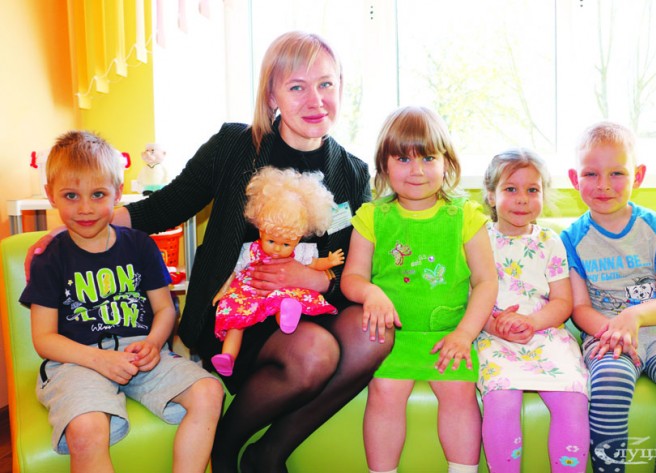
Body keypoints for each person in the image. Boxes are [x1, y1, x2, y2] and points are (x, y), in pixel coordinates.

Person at [27, 31, 392, 473]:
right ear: (272, 95)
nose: (315, 100)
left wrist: (319, 279)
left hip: (309, 308)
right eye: (297, 86)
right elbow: (163, 207)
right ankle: (224, 448)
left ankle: (268, 453)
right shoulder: (234, 146)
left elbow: (356, 265)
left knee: (374, 336)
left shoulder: (352, 172)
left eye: (326, 84)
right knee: (315, 353)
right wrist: (66, 232)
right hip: (233, 316)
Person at [20, 131, 224, 472]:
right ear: (51, 195)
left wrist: (154, 343)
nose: (85, 208)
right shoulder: (50, 259)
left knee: (209, 392)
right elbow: (44, 339)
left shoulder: (141, 245)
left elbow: (164, 309)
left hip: (141, 353)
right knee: (86, 430)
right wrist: (99, 360)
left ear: (117, 193)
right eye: (71, 195)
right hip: (77, 361)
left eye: (98, 194)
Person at [340, 105, 498, 473]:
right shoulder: (372, 217)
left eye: (428, 158)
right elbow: (352, 278)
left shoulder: (465, 215)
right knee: (385, 392)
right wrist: (371, 293)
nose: (417, 170)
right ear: (383, 165)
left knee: (459, 392)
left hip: (451, 334)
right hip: (391, 337)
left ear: (447, 162)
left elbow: (486, 282)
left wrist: (465, 334)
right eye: (403, 159)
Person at [560, 121, 656, 471]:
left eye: (616, 173)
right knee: (608, 385)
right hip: (606, 336)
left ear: (638, 176)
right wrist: (615, 331)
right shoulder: (571, 238)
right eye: (591, 174)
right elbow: (579, 308)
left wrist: (635, 316)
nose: (603, 185)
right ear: (575, 179)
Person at [477, 149, 589, 472]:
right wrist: (493, 325)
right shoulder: (478, 240)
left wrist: (531, 321)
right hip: (494, 336)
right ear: (491, 195)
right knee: (501, 399)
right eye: (511, 189)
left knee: (574, 398)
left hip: (545, 333)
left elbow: (563, 302)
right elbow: (469, 296)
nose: (522, 199)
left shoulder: (550, 242)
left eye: (532, 190)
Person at [210, 166, 345, 376]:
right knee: (236, 321)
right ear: (260, 230)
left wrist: (329, 261)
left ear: (299, 239)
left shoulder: (301, 252)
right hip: (250, 292)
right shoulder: (249, 250)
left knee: (283, 301)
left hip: (280, 292)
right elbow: (234, 270)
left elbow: (313, 264)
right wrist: (223, 290)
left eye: (286, 244)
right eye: (271, 240)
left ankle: (287, 318)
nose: (277, 249)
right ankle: (227, 357)